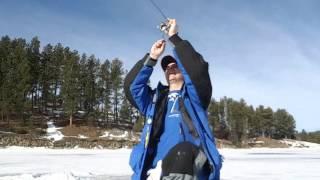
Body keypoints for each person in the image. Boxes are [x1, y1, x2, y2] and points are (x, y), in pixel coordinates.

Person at [124, 19, 222, 180]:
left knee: (183, 151)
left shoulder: (195, 97)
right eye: (167, 67)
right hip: (153, 171)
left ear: (184, 69)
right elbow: (131, 87)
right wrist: (152, 58)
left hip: (192, 170)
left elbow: (197, 71)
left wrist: (174, 37)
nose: (170, 68)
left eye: (175, 64)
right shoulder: (153, 100)